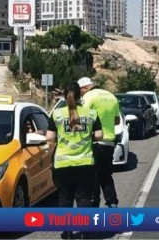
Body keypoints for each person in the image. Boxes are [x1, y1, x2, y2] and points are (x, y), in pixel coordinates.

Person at [47, 82, 103, 240]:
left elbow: (50, 138)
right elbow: (99, 135)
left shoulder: (57, 114)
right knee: (84, 197)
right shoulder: (91, 113)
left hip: (62, 164)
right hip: (85, 162)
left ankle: (67, 232)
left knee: (65, 198)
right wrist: (87, 137)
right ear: (80, 95)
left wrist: (62, 137)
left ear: (65, 95)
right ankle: (85, 231)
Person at [78, 76, 120, 208]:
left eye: (81, 91)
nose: (81, 94)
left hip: (94, 141)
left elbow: (82, 118)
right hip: (109, 142)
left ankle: (94, 202)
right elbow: (117, 121)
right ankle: (112, 202)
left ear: (84, 88)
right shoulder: (111, 96)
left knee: (93, 175)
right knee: (106, 175)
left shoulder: (88, 97)